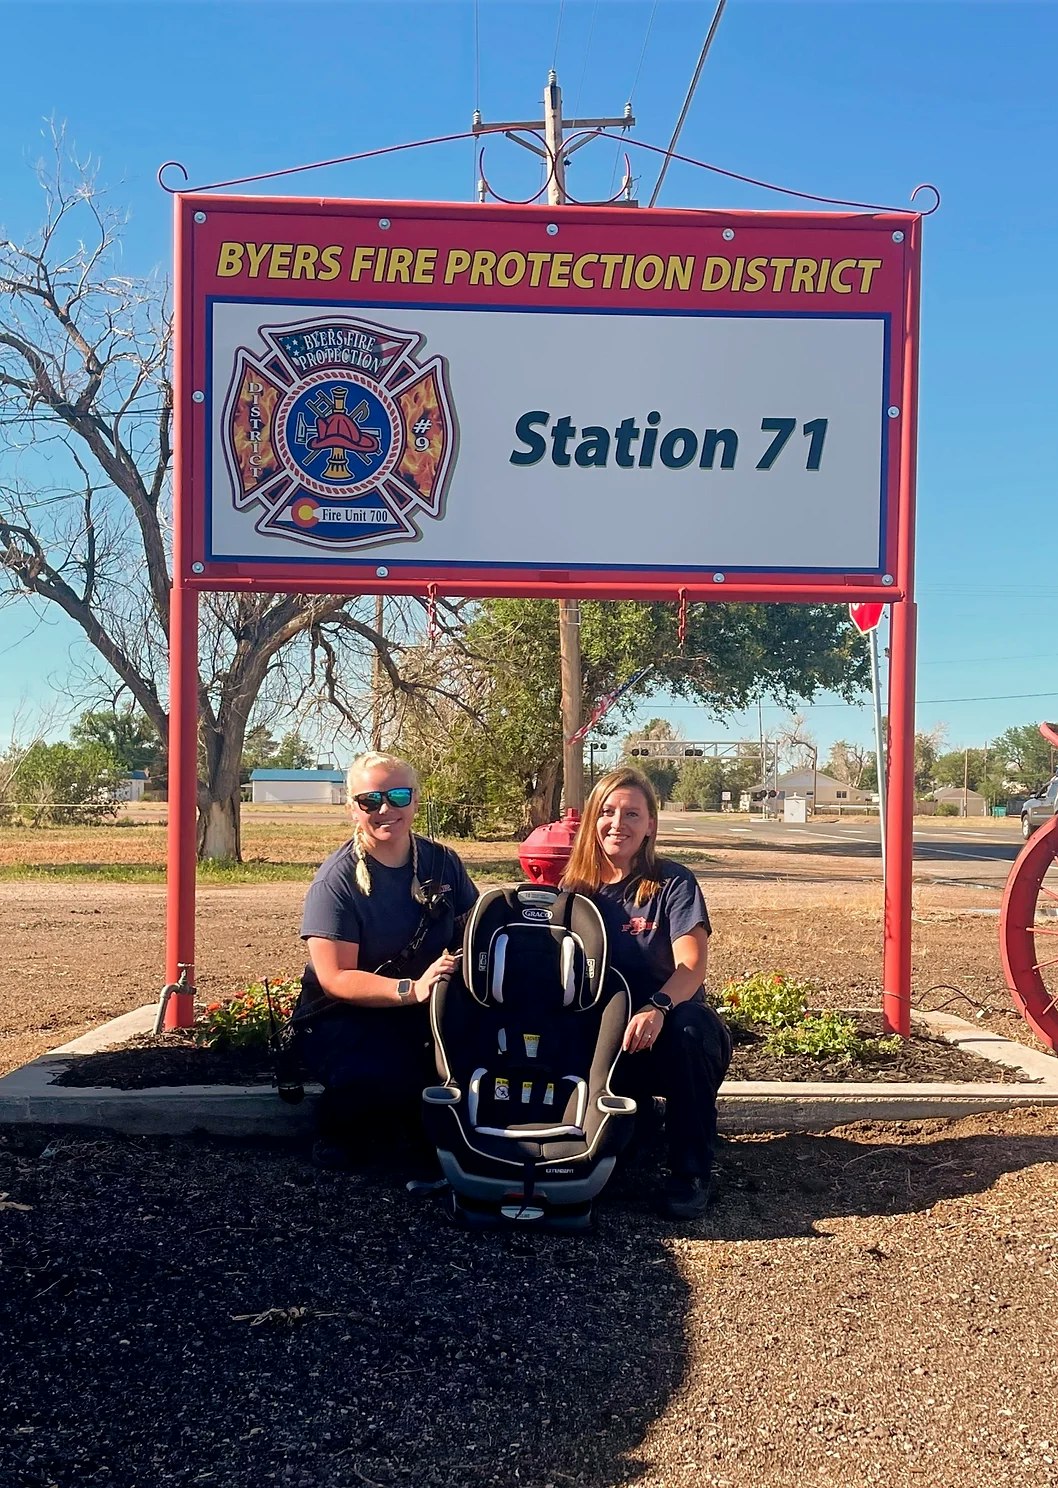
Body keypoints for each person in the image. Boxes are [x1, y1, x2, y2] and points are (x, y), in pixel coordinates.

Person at [294, 752, 478, 1174]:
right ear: (351, 807)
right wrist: (410, 990)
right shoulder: (335, 882)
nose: (385, 810)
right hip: (348, 1015)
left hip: (427, 1003)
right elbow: (336, 977)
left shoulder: (442, 862)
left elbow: (473, 929)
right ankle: (340, 1132)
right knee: (387, 1075)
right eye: (370, 800)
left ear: (415, 800)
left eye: (397, 796)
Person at [561, 766, 731, 1220]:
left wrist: (658, 1007)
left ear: (651, 824)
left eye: (632, 813)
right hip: (607, 1038)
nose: (619, 823)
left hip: (669, 1028)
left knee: (690, 1029)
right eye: (608, 812)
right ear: (592, 820)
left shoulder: (673, 883)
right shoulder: (574, 892)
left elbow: (691, 966)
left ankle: (691, 1172)